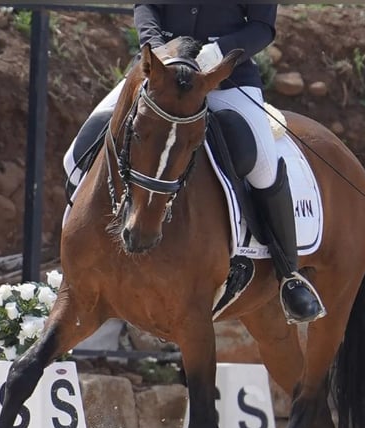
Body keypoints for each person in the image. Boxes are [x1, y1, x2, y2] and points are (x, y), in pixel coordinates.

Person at [63, 4, 325, 324]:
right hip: (159, 77)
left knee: (264, 166)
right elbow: (146, 6)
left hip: (223, 77)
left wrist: (221, 51)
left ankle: (289, 275)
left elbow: (261, 27)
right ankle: (79, 255)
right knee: (76, 155)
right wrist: (157, 47)